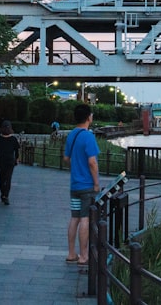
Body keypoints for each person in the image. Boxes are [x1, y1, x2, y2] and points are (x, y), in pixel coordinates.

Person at [63, 104, 100, 268]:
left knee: (75, 218)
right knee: (85, 218)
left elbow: (66, 159)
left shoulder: (71, 135)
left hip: (74, 185)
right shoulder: (88, 136)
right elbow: (92, 162)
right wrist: (96, 183)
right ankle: (84, 256)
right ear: (88, 118)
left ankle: (71, 253)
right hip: (87, 186)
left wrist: (76, 168)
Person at [0, 120, 20, 205]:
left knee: (3, 179)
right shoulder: (13, 139)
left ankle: (4, 195)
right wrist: (17, 159)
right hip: (9, 162)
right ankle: (5, 195)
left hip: (1, 162)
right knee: (7, 179)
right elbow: (17, 151)